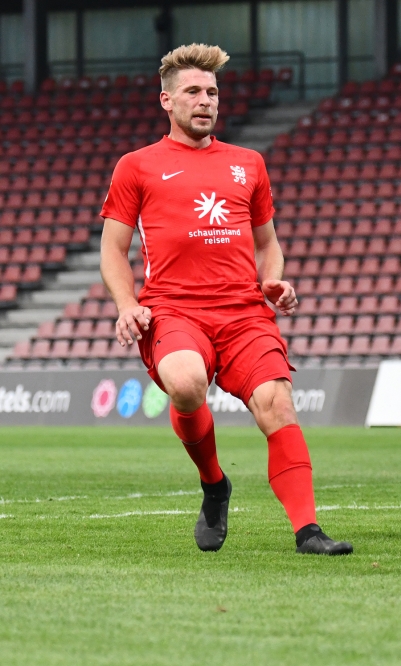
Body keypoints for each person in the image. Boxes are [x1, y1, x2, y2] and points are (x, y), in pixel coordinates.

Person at [99, 44, 351, 556]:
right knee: (188, 385)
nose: (205, 100)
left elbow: (267, 245)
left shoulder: (248, 164)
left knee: (278, 404)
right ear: (166, 100)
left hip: (243, 313)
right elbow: (113, 250)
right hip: (173, 309)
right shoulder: (136, 166)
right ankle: (215, 483)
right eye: (193, 91)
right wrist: (128, 304)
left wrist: (274, 281)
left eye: (212, 92)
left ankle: (308, 531)